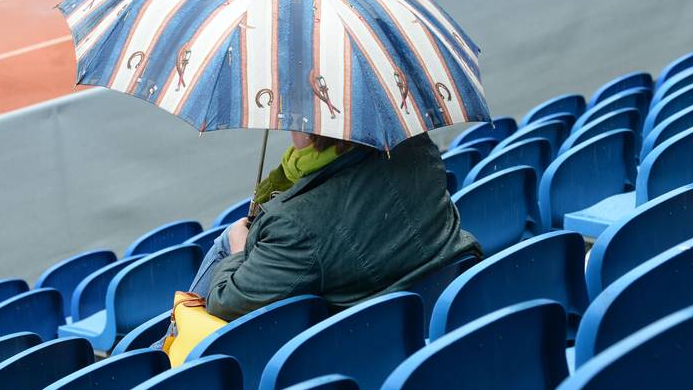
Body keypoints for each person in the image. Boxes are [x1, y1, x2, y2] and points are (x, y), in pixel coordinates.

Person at [187, 129, 480, 320]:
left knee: (229, 237)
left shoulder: (295, 224)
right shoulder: (415, 145)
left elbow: (225, 301)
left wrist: (238, 251)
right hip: (449, 305)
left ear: (309, 134)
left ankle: (166, 351)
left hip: (371, 339)